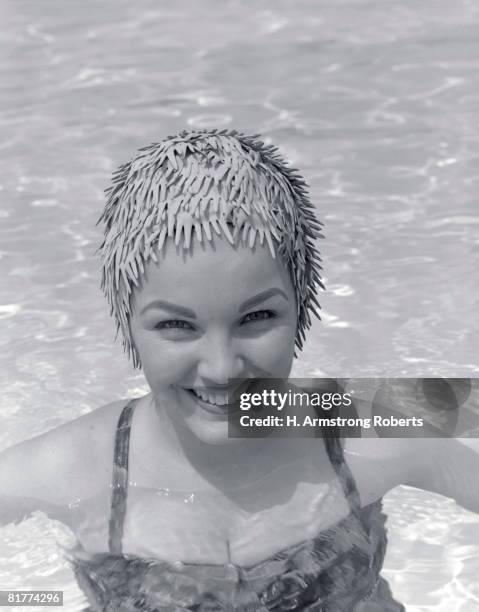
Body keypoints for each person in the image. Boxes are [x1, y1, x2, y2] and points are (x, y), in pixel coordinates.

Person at [1, 129, 478, 611]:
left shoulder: (372, 422)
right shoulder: (71, 469)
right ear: (127, 323)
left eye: (256, 318)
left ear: (302, 304)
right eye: (176, 325)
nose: (221, 368)